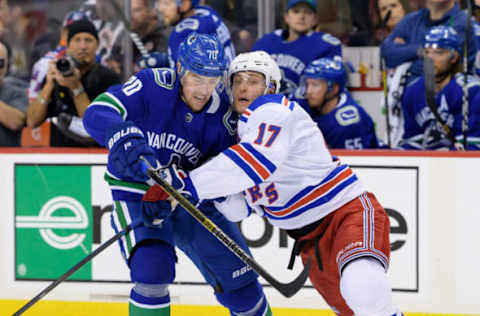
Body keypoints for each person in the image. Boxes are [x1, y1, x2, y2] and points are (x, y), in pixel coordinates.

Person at [155, 51, 403, 316]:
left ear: (270, 86)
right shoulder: (238, 135)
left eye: (252, 81)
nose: (243, 87)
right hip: (309, 242)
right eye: (237, 81)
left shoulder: (274, 110)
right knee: (355, 309)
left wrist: (186, 183)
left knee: (363, 287)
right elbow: (240, 207)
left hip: (345, 214)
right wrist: (215, 196)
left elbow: (252, 162)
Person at [83, 33, 273, 316]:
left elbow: (226, 174)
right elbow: (97, 112)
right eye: (197, 77)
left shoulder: (224, 113)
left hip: (191, 196)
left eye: (212, 80)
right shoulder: (152, 84)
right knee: (152, 269)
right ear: (180, 68)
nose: (203, 90)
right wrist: (121, 135)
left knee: (242, 289)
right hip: (138, 191)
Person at [26, 19, 121, 147]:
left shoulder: (108, 78)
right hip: (60, 156)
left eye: (88, 40)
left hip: (95, 157)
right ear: (68, 46)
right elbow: (32, 121)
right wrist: (48, 85)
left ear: (97, 45)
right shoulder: (58, 74)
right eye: (77, 40)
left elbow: (97, 126)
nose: (83, 46)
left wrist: (76, 88)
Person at [400, 26, 480, 150]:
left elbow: (472, 148)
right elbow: (412, 141)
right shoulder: (412, 91)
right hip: (428, 165)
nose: (430, 58)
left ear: (454, 57)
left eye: (438, 52)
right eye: (427, 52)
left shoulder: (470, 91)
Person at [252, 0, 342, 95]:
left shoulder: (325, 45)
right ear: (286, 17)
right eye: (296, 11)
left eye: (308, 12)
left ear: (315, 19)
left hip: (302, 107)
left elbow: (329, 88)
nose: (301, 17)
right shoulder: (266, 42)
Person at [292, 57, 382, 149]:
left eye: (315, 85)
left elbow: (352, 162)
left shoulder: (348, 125)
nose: (309, 91)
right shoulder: (303, 101)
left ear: (334, 89)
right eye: (307, 84)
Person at [381, 0, 477, 82]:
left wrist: (402, 62)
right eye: (427, 52)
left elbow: (436, 69)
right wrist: (419, 50)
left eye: (434, 51)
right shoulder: (411, 20)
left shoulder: (462, 23)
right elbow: (385, 53)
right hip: (407, 98)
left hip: (446, 97)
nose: (429, 53)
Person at [28, 11, 88, 108]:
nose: (78, 38)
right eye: (72, 31)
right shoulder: (46, 63)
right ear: (63, 33)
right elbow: (32, 101)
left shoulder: (98, 62)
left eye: (83, 32)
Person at [157, 0, 236, 67]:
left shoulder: (183, 31)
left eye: (167, 3)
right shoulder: (206, 12)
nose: (160, 9)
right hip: (225, 79)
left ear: (185, 4)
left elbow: (184, 74)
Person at [106, 0, 171, 77]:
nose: (130, 16)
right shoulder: (124, 34)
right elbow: (112, 61)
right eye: (127, 11)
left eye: (136, 10)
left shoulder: (166, 36)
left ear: (151, 11)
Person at [0, 39, 27, 146]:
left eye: (0, 63)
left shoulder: (17, 93)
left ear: (7, 66)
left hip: (5, 160)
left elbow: (15, 122)